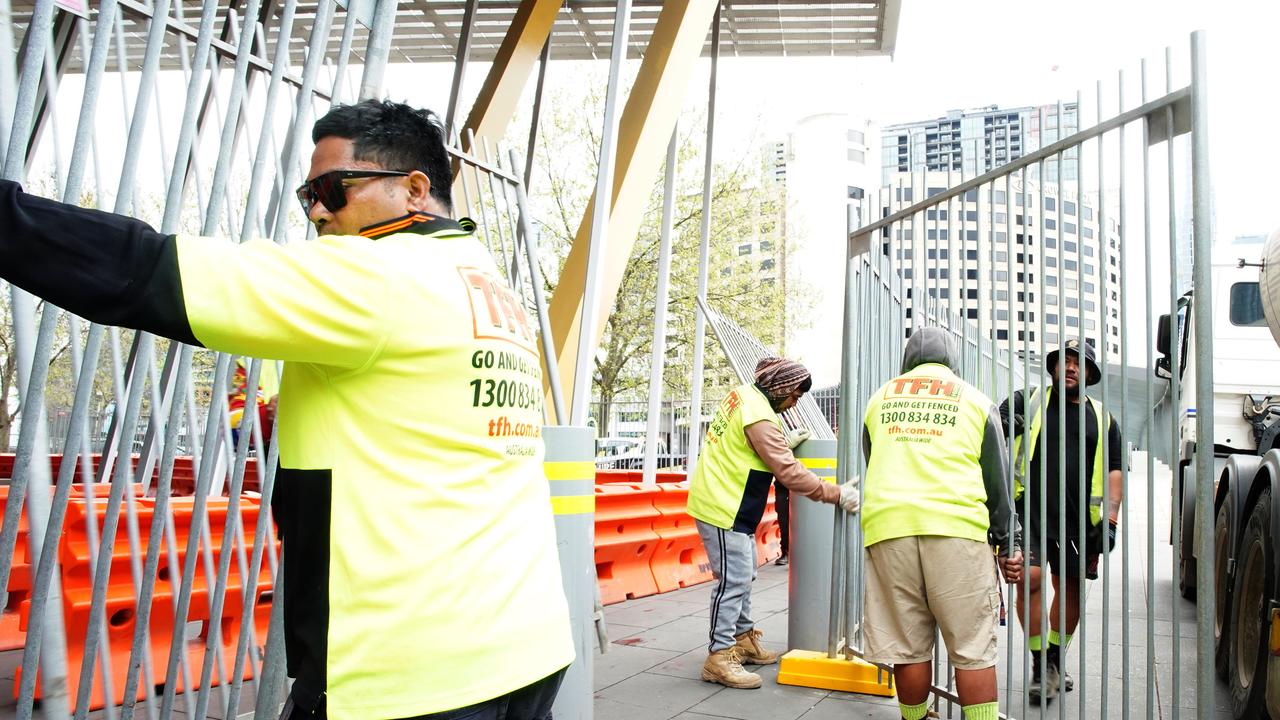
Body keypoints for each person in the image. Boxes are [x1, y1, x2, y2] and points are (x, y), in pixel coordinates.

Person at [0, 100, 573, 720]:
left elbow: (147, 271)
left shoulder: (379, 274)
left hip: (408, 667)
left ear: (413, 188)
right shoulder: (484, 281)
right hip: (524, 644)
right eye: (308, 195)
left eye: (334, 188)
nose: (319, 210)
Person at [861, 327, 1022, 720]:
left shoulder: (878, 400)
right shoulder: (975, 401)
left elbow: (874, 460)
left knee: (908, 645)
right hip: (957, 531)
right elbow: (996, 480)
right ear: (952, 361)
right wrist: (1008, 543)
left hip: (890, 530)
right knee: (972, 647)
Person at [687, 357, 859, 689]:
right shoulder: (761, 417)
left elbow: (746, 444)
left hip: (730, 500)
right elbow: (789, 473)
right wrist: (835, 494)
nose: (795, 402)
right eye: (794, 395)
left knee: (744, 573)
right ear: (779, 389)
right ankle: (719, 657)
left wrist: (782, 441)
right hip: (724, 505)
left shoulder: (745, 395)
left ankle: (744, 640)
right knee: (733, 582)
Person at [999, 338, 1124, 705]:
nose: (1070, 367)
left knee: (1070, 591)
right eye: (1064, 361)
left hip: (1079, 521)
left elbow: (1114, 471)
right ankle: (1042, 664)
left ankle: (1054, 657)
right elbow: (995, 421)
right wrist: (1006, 421)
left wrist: (1111, 521)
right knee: (1030, 580)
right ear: (1053, 367)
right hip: (1030, 515)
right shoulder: (1031, 400)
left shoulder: (1102, 418)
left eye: (1078, 362)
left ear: (1089, 372)